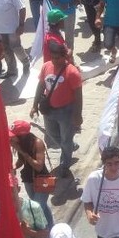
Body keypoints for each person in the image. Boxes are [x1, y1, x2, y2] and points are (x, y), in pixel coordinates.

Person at [32, 42, 83, 179]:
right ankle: (70, 146)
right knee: (52, 134)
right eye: (53, 57)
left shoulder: (72, 72)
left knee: (65, 139)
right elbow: (41, 85)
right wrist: (34, 105)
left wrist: (78, 115)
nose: (55, 61)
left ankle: (64, 164)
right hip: (49, 110)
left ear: (64, 56)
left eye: (58, 58)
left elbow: (78, 94)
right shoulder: (46, 67)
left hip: (66, 111)